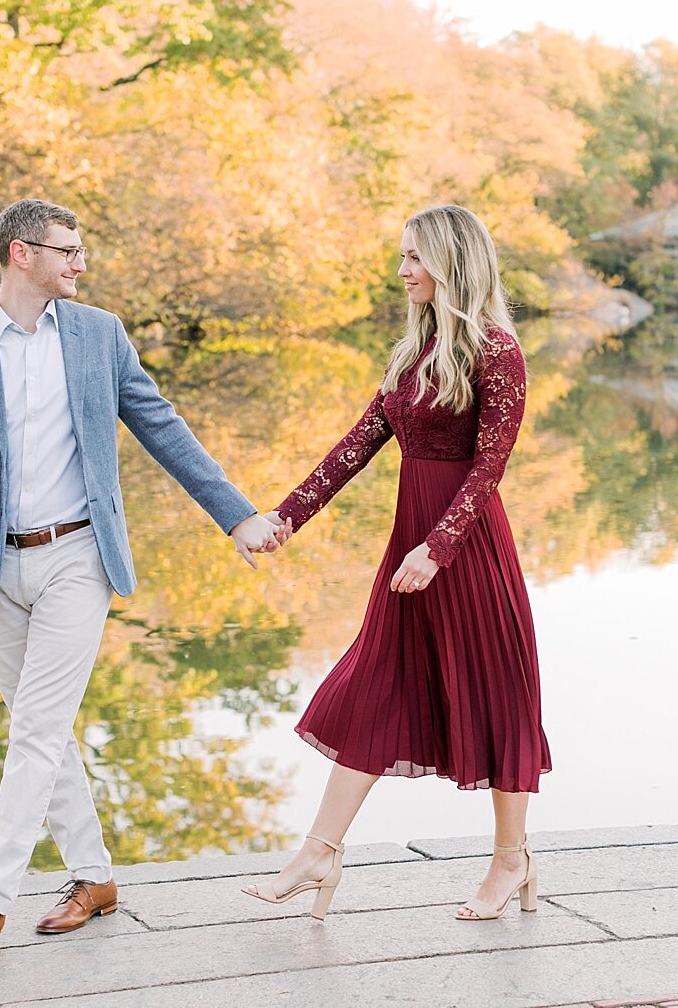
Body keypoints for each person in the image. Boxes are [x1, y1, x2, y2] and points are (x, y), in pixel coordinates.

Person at [0, 198, 282, 957]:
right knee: (39, 731)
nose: (81, 263)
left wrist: (234, 514)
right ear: (20, 253)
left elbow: (161, 425)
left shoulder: (98, 334)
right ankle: (94, 876)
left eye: (81, 250)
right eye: (66, 250)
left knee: (38, 731)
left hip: (79, 558)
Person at [242, 204, 550, 922]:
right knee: (374, 683)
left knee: (497, 694)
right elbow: (357, 444)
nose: (402, 270)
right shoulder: (414, 353)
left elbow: (489, 468)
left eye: (414, 257)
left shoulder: (497, 351)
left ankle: (512, 861)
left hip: (464, 550)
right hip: (409, 548)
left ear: (452, 263)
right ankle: (320, 850)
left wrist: (438, 548)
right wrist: (286, 516)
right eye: (403, 257)